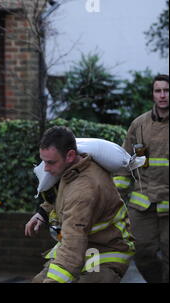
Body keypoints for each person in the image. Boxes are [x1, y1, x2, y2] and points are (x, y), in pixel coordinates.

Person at [25, 126, 135, 283]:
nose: (46, 169)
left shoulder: (84, 190)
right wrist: (43, 213)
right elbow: (60, 196)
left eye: (50, 162)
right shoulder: (72, 168)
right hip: (84, 245)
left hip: (104, 252)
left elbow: (73, 243)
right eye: (44, 162)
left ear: (70, 155)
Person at [113, 74, 169, 283]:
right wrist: (115, 197)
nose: (163, 95)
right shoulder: (139, 125)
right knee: (141, 253)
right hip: (143, 204)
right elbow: (125, 163)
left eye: (166, 90)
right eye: (158, 91)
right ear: (153, 94)